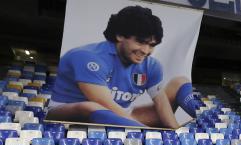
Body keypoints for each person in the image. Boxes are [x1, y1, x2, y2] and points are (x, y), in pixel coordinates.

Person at [46, 5, 200, 128]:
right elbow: (105, 105)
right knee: (90, 106)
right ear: (119, 35)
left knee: (178, 82)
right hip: (69, 113)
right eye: (140, 42)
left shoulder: (151, 65)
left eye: (151, 45)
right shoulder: (87, 57)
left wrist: (176, 132)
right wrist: (150, 134)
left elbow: (161, 103)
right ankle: (144, 133)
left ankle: (208, 122)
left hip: (121, 115)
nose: (146, 51)